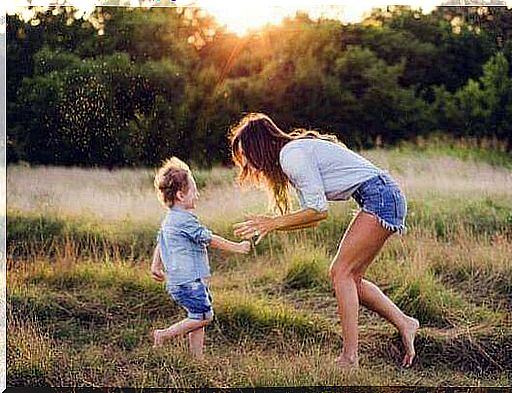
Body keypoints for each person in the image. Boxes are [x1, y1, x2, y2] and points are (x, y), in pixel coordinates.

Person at [230, 113, 419, 368]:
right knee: (351, 278)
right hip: (380, 196)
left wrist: (272, 222)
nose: (249, 167)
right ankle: (405, 322)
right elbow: (315, 217)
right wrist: (273, 226)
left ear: (259, 147)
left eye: (248, 156)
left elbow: (319, 210)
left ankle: (349, 358)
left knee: (341, 272)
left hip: (381, 197)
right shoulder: (292, 155)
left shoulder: (291, 156)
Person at [150, 156, 251, 358]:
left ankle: (197, 358)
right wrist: (237, 247)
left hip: (182, 281)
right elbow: (209, 239)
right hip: (189, 282)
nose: (198, 193)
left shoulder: (170, 219)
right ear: (180, 195)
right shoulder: (185, 221)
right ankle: (163, 335)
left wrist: (156, 266)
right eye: (194, 190)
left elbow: (161, 243)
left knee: (196, 317)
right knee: (205, 316)